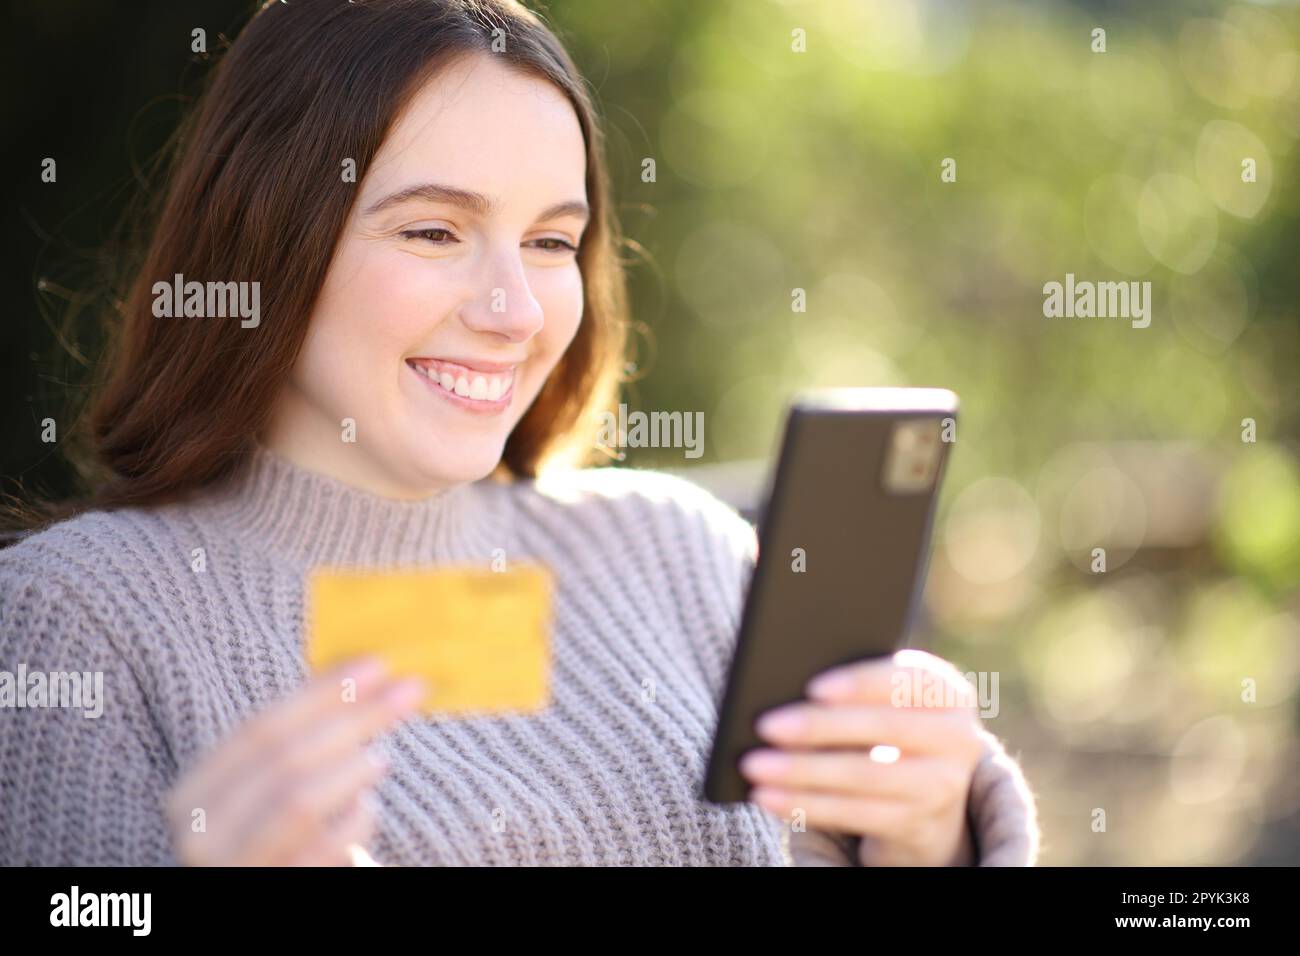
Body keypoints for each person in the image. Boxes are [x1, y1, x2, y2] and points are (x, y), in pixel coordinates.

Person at [0, 0, 1038, 866]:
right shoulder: (74, 619)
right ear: (267, 239)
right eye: (434, 230)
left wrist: (927, 840)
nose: (513, 307)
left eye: (551, 240)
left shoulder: (682, 553)